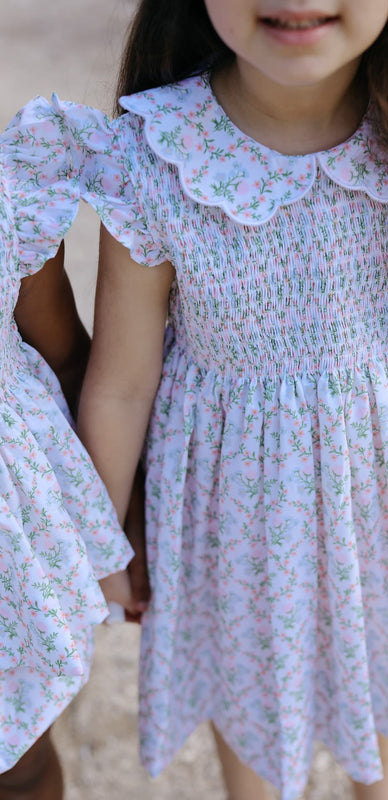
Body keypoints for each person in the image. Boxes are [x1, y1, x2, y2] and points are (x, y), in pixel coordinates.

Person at [61, 1, 388, 798]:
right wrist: (106, 538)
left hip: (381, 499)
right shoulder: (156, 153)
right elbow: (123, 379)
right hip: (231, 520)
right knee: (250, 704)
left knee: (377, 671)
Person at [0, 98, 137, 799]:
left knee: (16, 762)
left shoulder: (8, 195)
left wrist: (117, 523)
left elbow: (67, 356)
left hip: (7, 554)